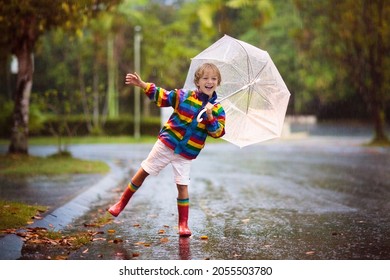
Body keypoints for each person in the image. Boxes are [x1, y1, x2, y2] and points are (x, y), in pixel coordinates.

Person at [107, 63, 226, 237]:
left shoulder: (218, 110)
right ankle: (121, 203)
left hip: (186, 153)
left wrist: (209, 117)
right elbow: (164, 96)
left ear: (218, 82)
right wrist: (143, 85)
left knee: (182, 185)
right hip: (167, 143)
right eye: (205, 78)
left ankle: (183, 224)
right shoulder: (185, 96)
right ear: (198, 82)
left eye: (213, 79)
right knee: (143, 171)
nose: (210, 82)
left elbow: (217, 132)